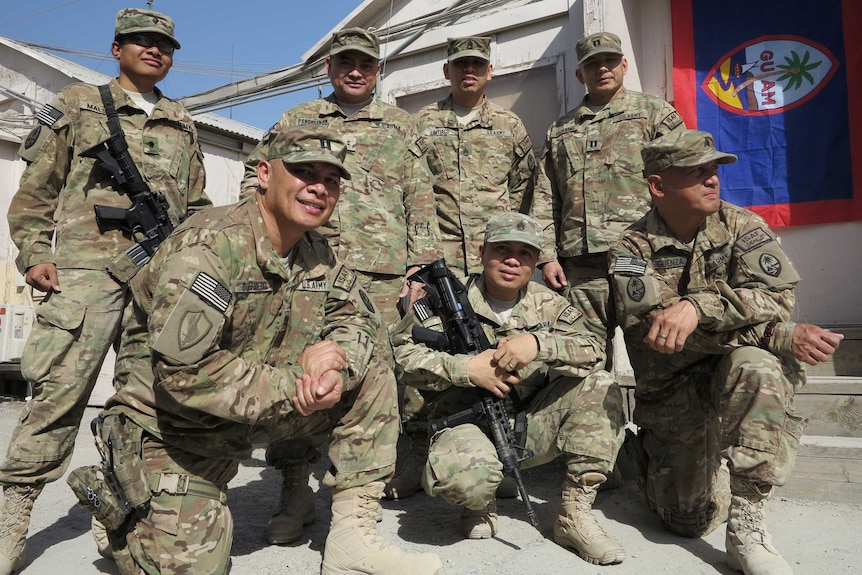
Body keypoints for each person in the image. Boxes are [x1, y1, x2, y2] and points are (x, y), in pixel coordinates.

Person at [86, 125, 443, 575]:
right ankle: (121, 506)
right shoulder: (210, 244)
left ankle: (353, 537)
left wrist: (336, 360)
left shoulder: (317, 251)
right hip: (174, 427)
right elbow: (185, 372)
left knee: (372, 371)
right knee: (195, 567)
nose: (319, 187)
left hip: (257, 405)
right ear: (264, 174)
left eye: (330, 180)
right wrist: (298, 383)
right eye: (302, 172)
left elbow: (360, 320)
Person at [0, 8, 210, 574]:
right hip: (83, 279)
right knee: (57, 396)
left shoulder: (181, 120)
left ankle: (114, 516)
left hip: (154, 282)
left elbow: (195, 208)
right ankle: (14, 515)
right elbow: (36, 189)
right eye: (141, 42)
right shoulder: (76, 104)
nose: (154, 51)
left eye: (164, 45)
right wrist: (35, 254)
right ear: (116, 48)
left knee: (141, 405)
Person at [608, 129, 843, 575]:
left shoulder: (743, 226)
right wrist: (774, 334)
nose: (712, 180)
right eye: (696, 172)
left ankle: (747, 525)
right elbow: (658, 337)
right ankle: (644, 453)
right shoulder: (631, 248)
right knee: (687, 521)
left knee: (758, 367)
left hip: (734, 372)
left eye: (714, 170)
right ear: (658, 186)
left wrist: (699, 306)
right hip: (672, 386)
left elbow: (775, 302)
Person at [240, 27, 440, 544]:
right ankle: (295, 489)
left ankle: (360, 497)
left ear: (378, 72)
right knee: (298, 371)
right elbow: (254, 180)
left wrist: (419, 271)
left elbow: (420, 198)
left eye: (366, 64)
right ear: (329, 68)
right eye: (345, 62)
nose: (356, 71)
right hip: (309, 269)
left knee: (380, 376)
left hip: (381, 275)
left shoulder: (402, 126)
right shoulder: (297, 119)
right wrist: (263, 248)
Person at [392, 212, 627, 566]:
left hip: (529, 425)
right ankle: (481, 497)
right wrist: (465, 368)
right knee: (466, 482)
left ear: (535, 261)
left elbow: (593, 350)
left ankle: (574, 513)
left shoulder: (548, 303)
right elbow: (400, 354)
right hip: (464, 424)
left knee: (602, 385)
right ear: (483, 252)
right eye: (502, 249)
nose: (513, 260)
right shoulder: (448, 301)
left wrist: (537, 343)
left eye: (525, 253)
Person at [389, 35, 541, 499]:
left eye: (477, 64)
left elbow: (524, 191)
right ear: (447, 72)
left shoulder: (509, 126)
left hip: (493, 260)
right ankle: (418, 446)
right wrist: (415, 265)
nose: (468, 72)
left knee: (494, 346)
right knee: (428, 346)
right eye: (460, 65)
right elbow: (409, 193)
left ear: (489, 72)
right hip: (438, 261)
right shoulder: (423, 124)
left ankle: (499, 448)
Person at [535, 31, 685, 345]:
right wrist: (546, 256)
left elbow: (683, 180)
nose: (602, 68)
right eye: (593, 64)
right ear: (580, 74)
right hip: (581, 266)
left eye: (610, 61)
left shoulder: (654, 114)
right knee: (581, 358)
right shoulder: (560, 130)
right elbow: (546, 196)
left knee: (655, 359)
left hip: (641, 257)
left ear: (624, 65)